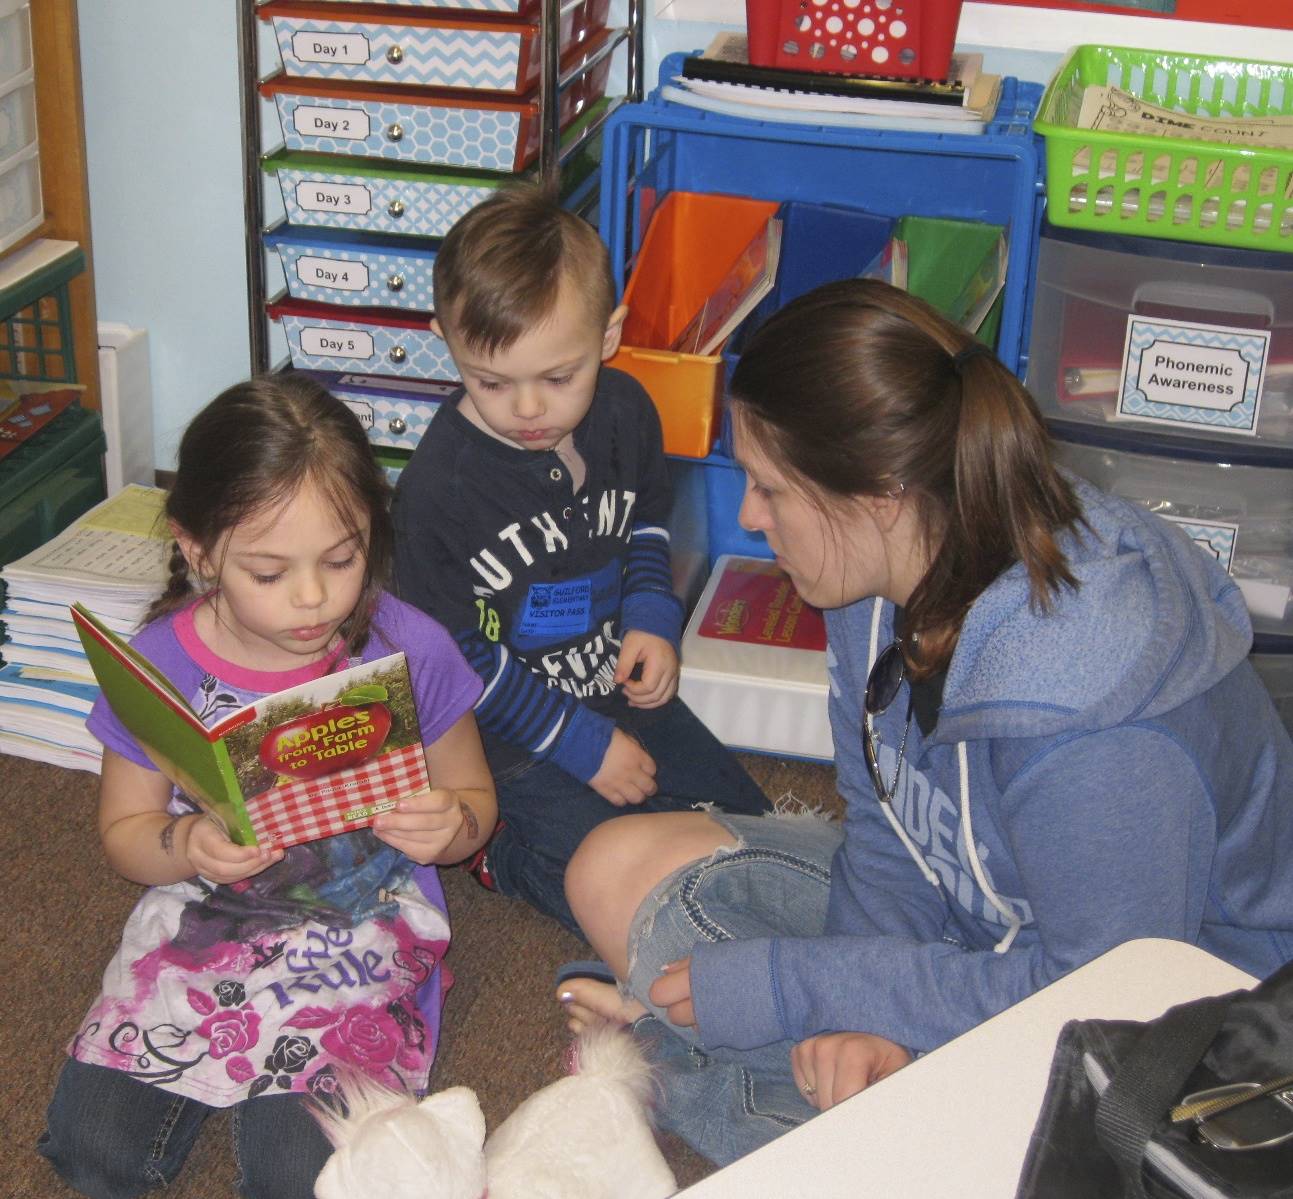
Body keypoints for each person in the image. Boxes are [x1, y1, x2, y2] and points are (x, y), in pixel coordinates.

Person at [556, 277, 1293, 1166]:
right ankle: (836, 1116)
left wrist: (799, 990)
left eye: (768, 488)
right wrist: (853, 1022)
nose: (750, 518)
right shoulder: (876, 575)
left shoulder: (1100, 729)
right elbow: (886, 830)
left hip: (1169, 1033)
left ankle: (722, 1089)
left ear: (880, 495)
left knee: (750, 1032)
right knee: (612, 869)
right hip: (983, 930)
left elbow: (1107, 1007)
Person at [39, 374, 497, 1199]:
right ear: (198, 549)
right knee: (92, 1150)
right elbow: (124, 831)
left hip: (361, 923)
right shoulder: (160, 663)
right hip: (207, 915)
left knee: (302, 1176)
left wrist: (452, 824)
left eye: (342, 557)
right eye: (268, 570)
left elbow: (475, 803)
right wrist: (187, 843)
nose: (314, 596)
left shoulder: (407, 645)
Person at [392, 182, 769, 933]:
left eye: (557, 378)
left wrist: (653, 616)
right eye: (491, 381)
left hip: (614, 686)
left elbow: (645, 527)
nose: (528, 410)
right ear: (445, 339)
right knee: (622, 889)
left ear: (607, 333)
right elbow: (455, 660)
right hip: (505, 736)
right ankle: (500, 854)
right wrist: (578, 740)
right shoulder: (438, 489)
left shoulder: (627, 410)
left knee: (749, 826)